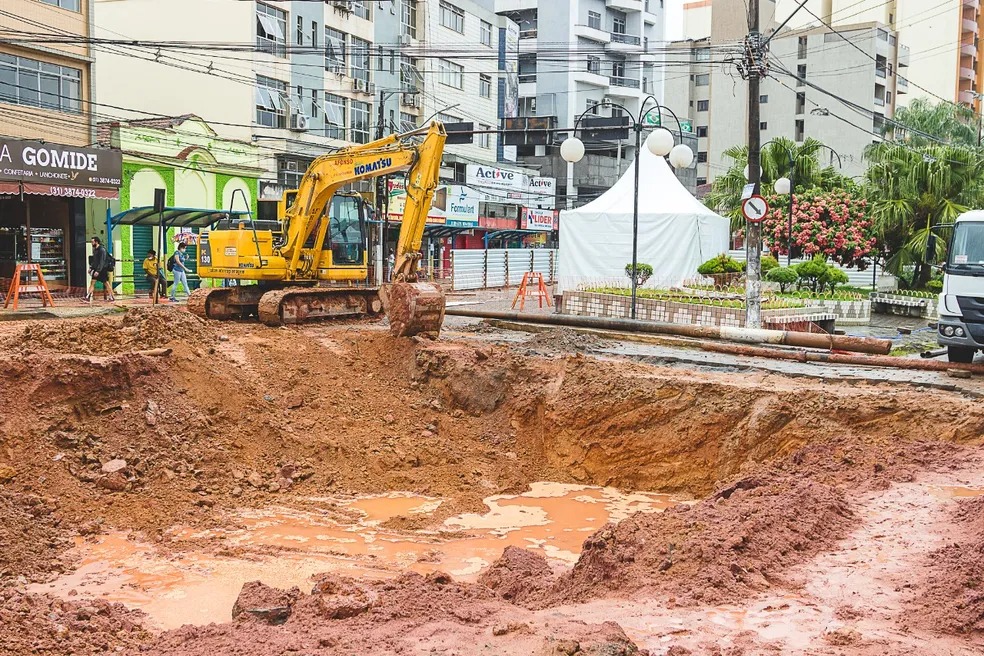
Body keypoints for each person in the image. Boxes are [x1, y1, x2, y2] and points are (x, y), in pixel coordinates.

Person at [82, 237, 113, 303]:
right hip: (96, 269)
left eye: (92, 242)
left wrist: (98, 271)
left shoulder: (102, 250)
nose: (91, 243)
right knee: (92, 282)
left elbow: (102, 261)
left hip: (102, 269)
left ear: (96, 242)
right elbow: (94, 261)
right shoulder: (95, 250)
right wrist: (91, 268)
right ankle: (88, 296)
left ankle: (111, 296)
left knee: (106, 283)